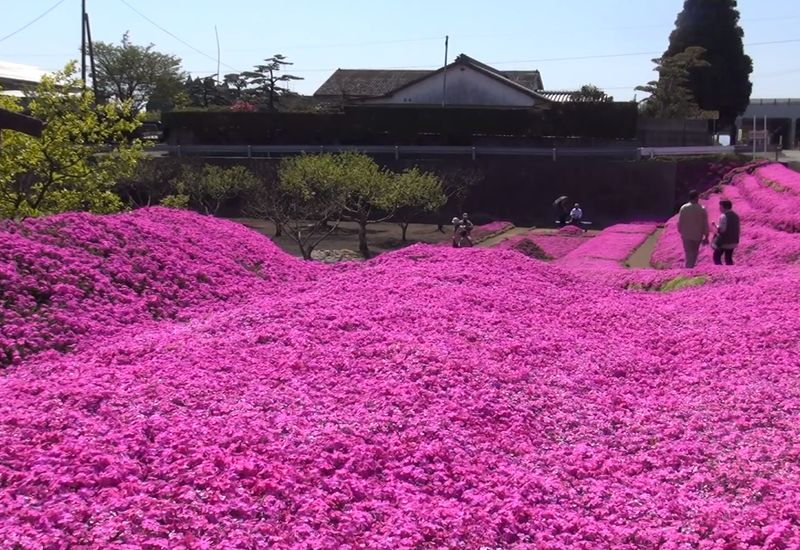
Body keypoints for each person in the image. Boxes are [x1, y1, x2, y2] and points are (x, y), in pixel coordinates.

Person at [677, 189, 709, 268]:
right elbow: (705, 224)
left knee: (688, 253)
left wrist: (681, 231)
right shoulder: (702, 208)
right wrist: (706, 236)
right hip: (697, 235)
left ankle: (688, 269)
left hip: (686, 235)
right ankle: (690, 269)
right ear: (696, 197)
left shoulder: (683, 208)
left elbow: (680, 222)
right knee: (694, 253)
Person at [711, 199, 740, 265]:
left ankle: (720, 271)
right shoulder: (736, 216)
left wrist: (715, 226)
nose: (719, 208)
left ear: (724, 207)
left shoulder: (723, 216)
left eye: (720, 207)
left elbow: (722, 230)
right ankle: (731, 272)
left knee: (716, 257)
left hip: (725, 242)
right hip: (734, 241)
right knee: (728, 258)